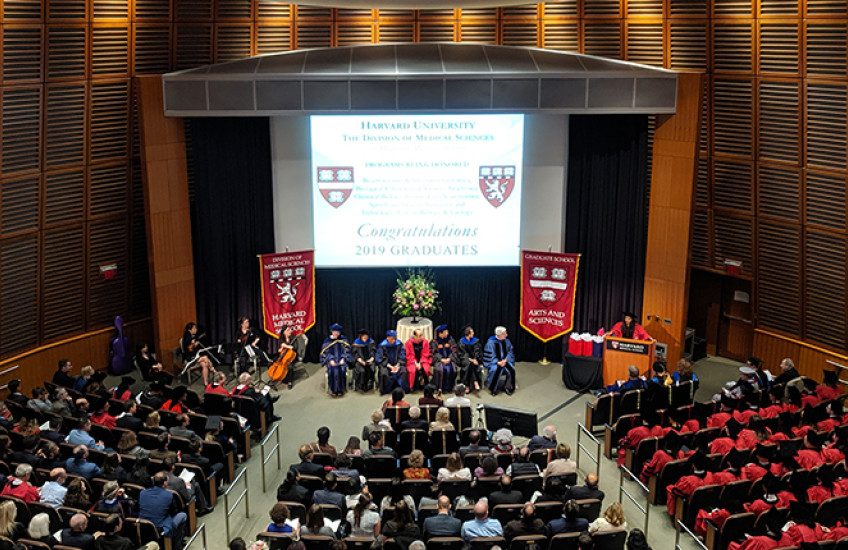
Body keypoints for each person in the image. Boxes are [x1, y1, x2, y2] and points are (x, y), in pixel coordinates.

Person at [139, 472, 188, 544]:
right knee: (182, 515)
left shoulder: (142, 493)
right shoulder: (168, 495)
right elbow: (174, 512)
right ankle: (176, 545)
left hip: (143, 526)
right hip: (159, 528)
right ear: (165, 483)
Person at [483, 326, 516, 395]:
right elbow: (489, 356)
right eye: (504, 333)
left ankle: (508, 387)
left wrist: (505, 360)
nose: (506, 335)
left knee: (511, 369)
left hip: (505, 360)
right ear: (499, 334)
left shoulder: (506, 341)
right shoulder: (490, 343)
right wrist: (498, 362)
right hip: (494, 363)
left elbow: (510, 351)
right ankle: (493, 388)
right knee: (495, 370)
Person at [321, 323, 350, 397]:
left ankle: (341, 389)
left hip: (341, 360)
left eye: (337, 331)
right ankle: (333, 390)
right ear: (331, 331)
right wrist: (330, 360)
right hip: (331, 361)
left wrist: (343, 358)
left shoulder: (343, 339)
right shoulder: (327, 341)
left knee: (342, 370)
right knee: (332, 371)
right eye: (334, 331)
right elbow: (325, 353)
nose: (336, 333)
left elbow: (347, 350)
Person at [376, 330, 407, 394]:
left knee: (403, 371)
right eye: (392, 339)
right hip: (386, 365)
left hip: (398, 364)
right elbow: (379, 358)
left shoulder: (399, 344)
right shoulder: (382, 345)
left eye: (394, 338)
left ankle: (402, 388)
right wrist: (389, 366)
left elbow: (402, 355)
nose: (394, 340)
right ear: (387, 338)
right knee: (384, 373)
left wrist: (398, 365)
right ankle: (386, 390)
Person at [431, 324, 458, 393]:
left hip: (449, 360)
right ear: (441, 333)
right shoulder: (434, 342)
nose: (447, 333)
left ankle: (449, 388)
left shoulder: (450, 340)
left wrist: (449, 358)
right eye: (445, 332)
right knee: (439, 369)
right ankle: (439, 388)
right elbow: (433, 353)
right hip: (439, 361)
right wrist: (441, 359)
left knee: (453, 369)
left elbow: (454, 350)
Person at [273, 324, 302, 389]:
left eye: (289, 330)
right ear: (284, 332)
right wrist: (281, 349)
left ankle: (289, 382)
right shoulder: (281, 338)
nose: (290, 331)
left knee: (290, 366)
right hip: (283, 356)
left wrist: (287, 346)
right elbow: (279, 349)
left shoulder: (293, 338)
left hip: (292, 356)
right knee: (273, 362)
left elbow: (295, 347)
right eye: (288, 330)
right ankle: (277, 376)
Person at [457, 326, 484, 392]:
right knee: (469, 364)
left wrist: (475, 358)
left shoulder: (475, 341)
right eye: (472, 332)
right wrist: (471, 359)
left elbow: (477, 352)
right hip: (465, 360)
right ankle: (475, 381)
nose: (473, 333)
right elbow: (462, 354)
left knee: (471, 365)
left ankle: (467, 386)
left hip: (474, 359)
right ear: (468, 334)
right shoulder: (461, 342)